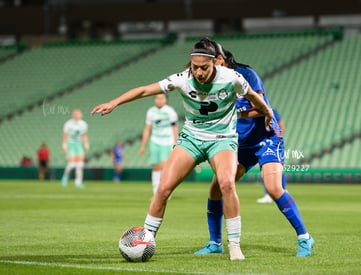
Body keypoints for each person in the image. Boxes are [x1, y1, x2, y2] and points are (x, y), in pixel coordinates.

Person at [91, 37, 274, 261]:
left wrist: (268, 112)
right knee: (163, 189)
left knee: (227, 183)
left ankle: (234, 246)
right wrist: (114, 102)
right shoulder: (182, 79)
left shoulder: (231, 77)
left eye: (203, 67)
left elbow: (253, 96)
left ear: (215, 63)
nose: (198, 72)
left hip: (222, 138)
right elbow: (143, 91)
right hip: (191, 138)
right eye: (194, 67)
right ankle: (145, 241)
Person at [193, 43, 314, 257]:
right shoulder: (211, 82)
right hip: (240, 143)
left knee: (274, 188)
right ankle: (215, 243)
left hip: (266, 137)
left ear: (220, 59)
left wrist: (234, 113)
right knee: (217, 188)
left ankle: (305, 238)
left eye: (213, 61)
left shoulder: (246, 74)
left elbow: (261, 109)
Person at [139, 93, 178, 195]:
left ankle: (165, 190)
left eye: (162, 98)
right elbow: (147, 129)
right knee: (155, 166)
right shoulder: (151, 112)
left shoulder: (170, 111)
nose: (159, 100)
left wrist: (176, 143)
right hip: (155, 141)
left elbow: (175, 128)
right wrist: (143, 145)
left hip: (167, 141)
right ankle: (156, 192)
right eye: (157, 98)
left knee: (164, 166)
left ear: (166, 100)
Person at [256, 109, 286, 203]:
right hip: (261, 143)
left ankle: (273, 193)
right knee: (270, 170)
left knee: (273, 169)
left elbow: (281, 127)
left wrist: (276, 139)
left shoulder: (271, 111)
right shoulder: (256, 112)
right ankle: (278, 191)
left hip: (272, 143)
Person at [61, 109, 89, 189]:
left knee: (80, 164)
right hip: (71, 145)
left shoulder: (83, 124)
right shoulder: (68, 124)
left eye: (78, 114)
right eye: (75, 114)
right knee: (71, 163)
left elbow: (84, 135)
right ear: (73, 115)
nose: (77, 116)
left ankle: (78, 182)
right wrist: (64, 146)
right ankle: (65, 178)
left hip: (79, 145)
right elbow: (65, 136)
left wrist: (86, 145)